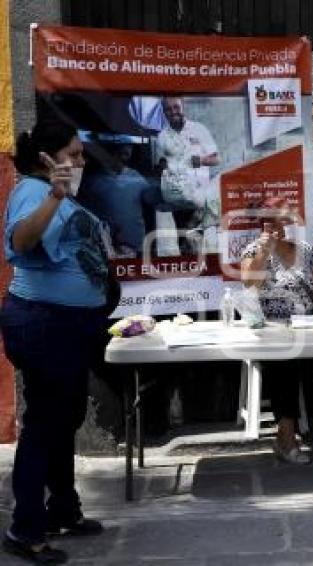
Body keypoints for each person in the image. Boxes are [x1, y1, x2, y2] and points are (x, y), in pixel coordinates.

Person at [1, 120, 113, 564]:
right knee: (45, 424)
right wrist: (54, 195)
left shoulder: (58, 194)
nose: (81, 161)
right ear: (47, 159)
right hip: (45, 323)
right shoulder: (33, 190)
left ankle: (63, 508)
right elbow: (20, 243)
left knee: (64, 417)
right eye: (74, 153)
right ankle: (25, 529)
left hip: (68, 325)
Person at [240, 202, 313, 465]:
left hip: (309, 326)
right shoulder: (254, 251)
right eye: (277, 222)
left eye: (287, 221)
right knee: (284, 362)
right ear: (265, 226)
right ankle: (285, 438)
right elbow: (250, 282)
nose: (284, 227)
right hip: (273, 330)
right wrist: (265, 252)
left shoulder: (306, 251)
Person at [155, 96, 220, 249]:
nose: (173, 112)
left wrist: (201, 161)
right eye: (168, 109)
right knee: (185, 243)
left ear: (183, 106)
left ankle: (202, 267)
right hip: (178, 202)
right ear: (164, 112)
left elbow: (216, 159)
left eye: (176, 107)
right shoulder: (162, 137)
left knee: (200, 243)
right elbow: (159, 167)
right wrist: (161, 167)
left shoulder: (199, 129)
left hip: (200, 202)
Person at [77, 143, 160, 256]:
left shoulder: (136, 178)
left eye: (126, 154)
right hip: (102, 248)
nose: (124, 157)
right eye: (120, 153)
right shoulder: (90, 181)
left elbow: (151, 203)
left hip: (134, 248)